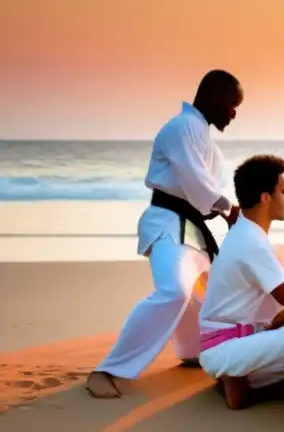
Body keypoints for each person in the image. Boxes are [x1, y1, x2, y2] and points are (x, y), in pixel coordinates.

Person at [85, 70, 243, 398]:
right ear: (214, 97)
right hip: (168, 222)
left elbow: (204, 191)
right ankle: (108, 370)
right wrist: (228, 209)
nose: (234, 112)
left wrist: (227, 211)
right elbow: (196, 183)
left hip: (192, 227)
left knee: (207, 295)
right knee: (174, 290)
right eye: (232, 104)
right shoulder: (182, 128)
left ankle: (192, 352)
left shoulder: (200, 133)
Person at [196, 155, 284, 409]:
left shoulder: (248, 234)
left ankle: (240, 380)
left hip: (232, 344)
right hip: (228, 350)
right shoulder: (252, 242)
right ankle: (247, 388)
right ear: (265, 196)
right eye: (283, 191)